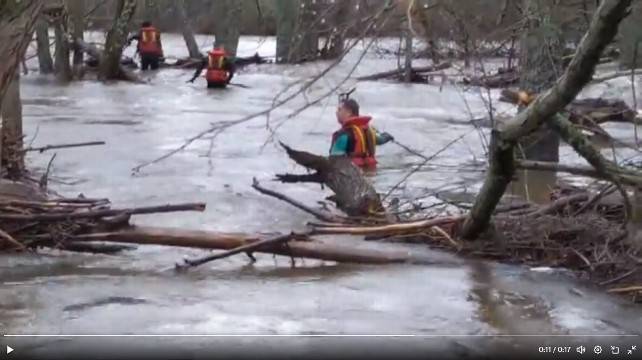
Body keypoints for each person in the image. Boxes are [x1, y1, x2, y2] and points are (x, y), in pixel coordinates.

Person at [330, 98, 394, 170]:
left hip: (352, 172)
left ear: (349, 112)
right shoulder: (368, 130)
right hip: (370, 169)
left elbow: (334, 159)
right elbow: (380, 140)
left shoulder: (343, 135)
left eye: (339, 109)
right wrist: (387, 136)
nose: (336, 112)